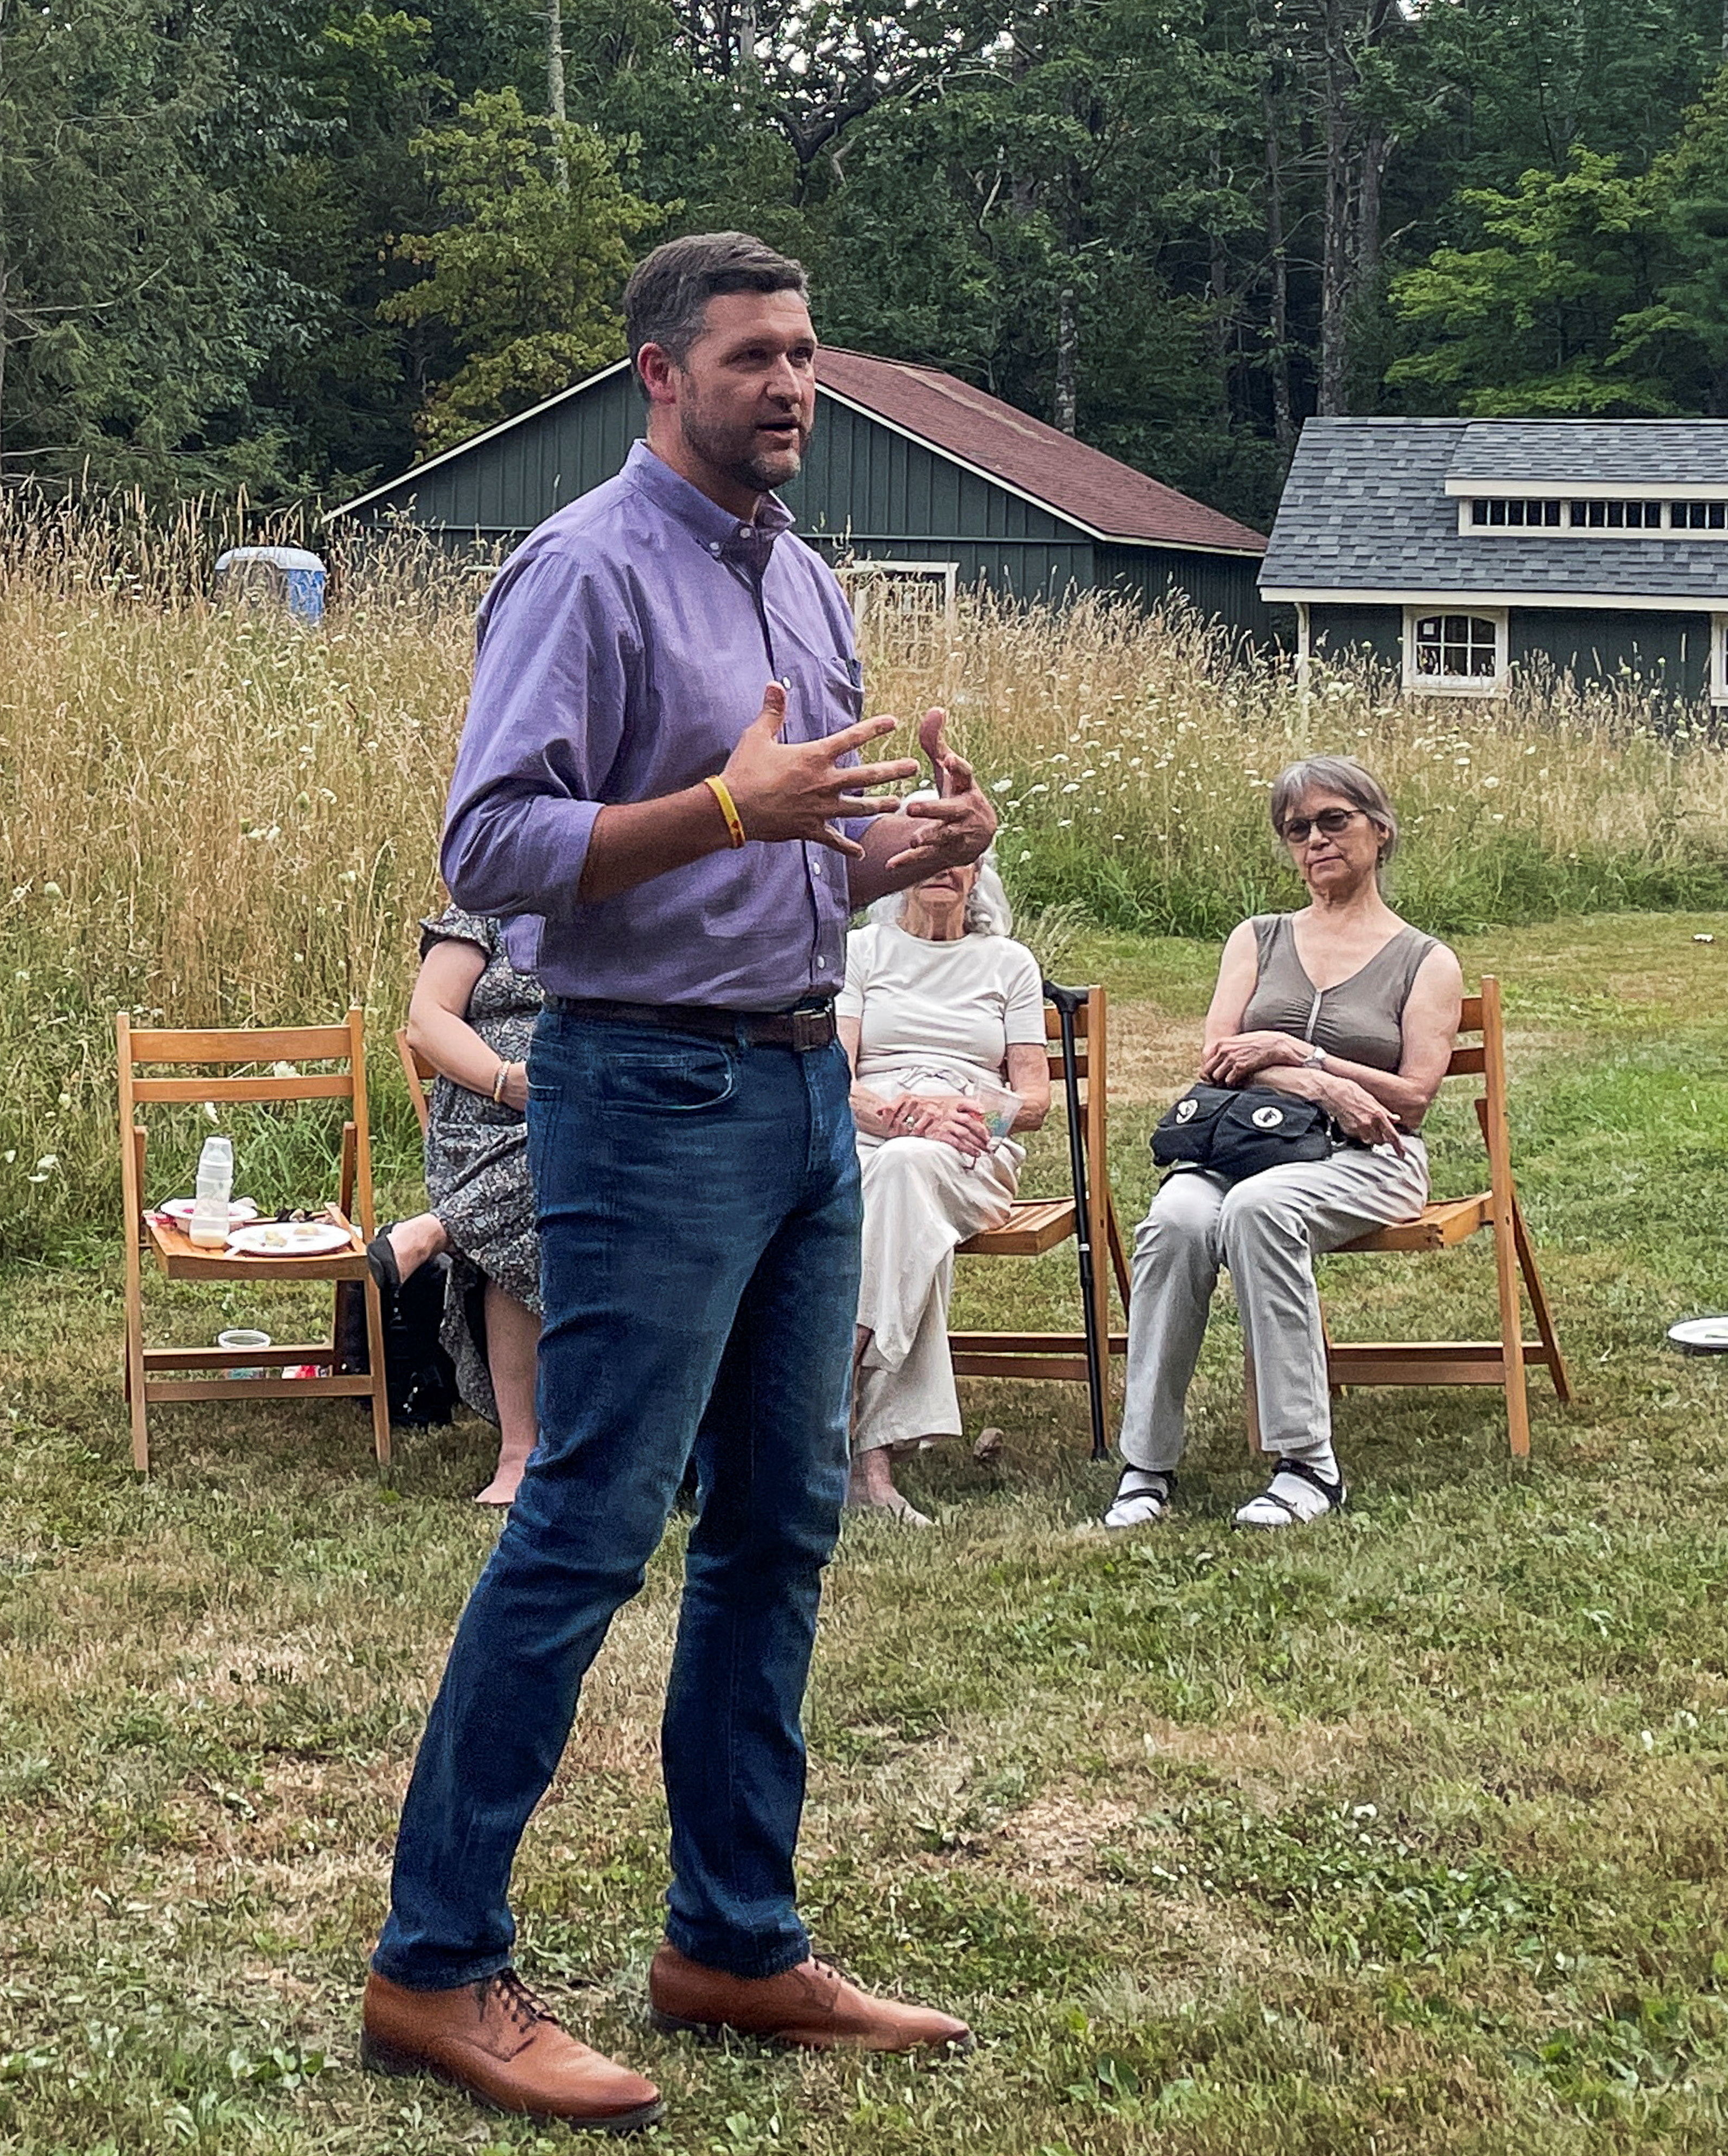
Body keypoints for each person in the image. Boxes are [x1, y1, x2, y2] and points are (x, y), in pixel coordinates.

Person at [360, 232, 995, 2132]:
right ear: (660, 374)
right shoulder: (580, 568)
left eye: (808, 355)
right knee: (583, 1526)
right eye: (752, 358)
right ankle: (433, 1968)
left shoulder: (804, 579)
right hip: (644, 1100)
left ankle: (732, 1936)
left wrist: (894, 855)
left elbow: (784, 860)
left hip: (809, 1091)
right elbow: (496, 843)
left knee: (781, 1524)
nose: (792, 386)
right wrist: (730, 805)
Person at [1099, 756, 1466, 1532]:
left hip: (1370, 1159)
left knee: (1262, 1211)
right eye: (1297, 830)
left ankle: (1307, 1464)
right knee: (1176, 1221)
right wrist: (1312, 1080)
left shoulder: (1426, 960)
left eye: (1334, 821)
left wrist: (1300, 1057)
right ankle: (1146, 1463)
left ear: (1380, 829)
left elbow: (1410, 1099)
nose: (1315, 841)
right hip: (1243, 1144)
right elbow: (1219, 1059)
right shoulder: (1258, 938)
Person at [841, 847, 1049, 1526]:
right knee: (905, 1210)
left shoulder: (1009, 963)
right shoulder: (862, 952)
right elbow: (832, 1074)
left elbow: (1036, 1100)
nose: (943, 869)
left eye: (961, 857)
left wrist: (965, 1114)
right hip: (871, 1136)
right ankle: (871, 1469)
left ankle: (838, 1370)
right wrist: (893, 1112)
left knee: (906, 1176)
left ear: (980, 873)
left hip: (969, 1147)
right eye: (926, 855)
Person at [375, 907, 547, 1506]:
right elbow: (426, 1020)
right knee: (544, 1175)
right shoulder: (489, 907)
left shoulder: (637, 898)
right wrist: (506, 1080)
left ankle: (441, 1229)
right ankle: (520, 1451)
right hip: (482, 1117)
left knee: (571, 1142)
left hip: (591, 1108)